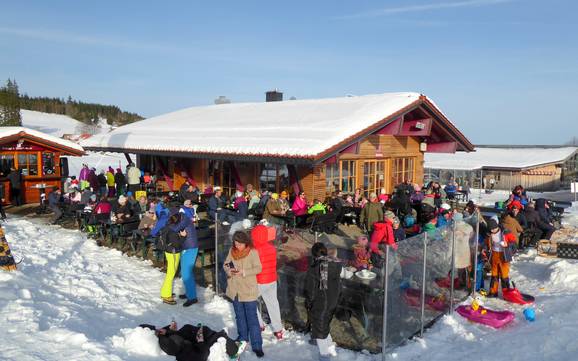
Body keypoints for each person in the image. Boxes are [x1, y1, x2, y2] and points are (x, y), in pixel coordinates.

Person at [223, 231, 264, 358]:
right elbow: (226, 263)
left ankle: (257, 345)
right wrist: (230, 270)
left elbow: (258, 268)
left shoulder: (252, 252)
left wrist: (244, 272)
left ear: (246, 243)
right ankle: (243, 338)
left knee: (252, 319)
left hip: (248, 290)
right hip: (235, 290)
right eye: (235, 243)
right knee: (239, 316)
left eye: (240, 244)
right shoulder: (232, 250)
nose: (237, 246)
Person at [305, 243, 341, 361]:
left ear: (314, 254)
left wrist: (309, 302)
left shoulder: (315, 268)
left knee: (319, 327)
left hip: (321, 302)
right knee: (324, 323)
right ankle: (329, 344)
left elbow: (311, 290)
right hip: (333, 300)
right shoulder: (335, 264)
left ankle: (324, 355)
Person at [140, 321, 242, 361]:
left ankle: (228, 343)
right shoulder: (165, 343)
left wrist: (169, 330)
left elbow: (177, 337)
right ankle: (233, 349)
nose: (159, 329)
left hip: (194, 341)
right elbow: (197, 355)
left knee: (192, 328)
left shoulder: (163, 337)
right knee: (211, 334)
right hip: (199, 348)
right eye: (157, 330)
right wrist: (200, 340)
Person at [251, 224, 284, 340]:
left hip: (259, 281)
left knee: (248, 301)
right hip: (271, 280)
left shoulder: (253, 249)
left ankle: (259, 324)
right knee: (273, 304)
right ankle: (278, 330)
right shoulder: (271, 248)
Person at [174, 207, 199, 307]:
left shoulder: (184, 220)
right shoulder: (184, 219)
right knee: (185, 272)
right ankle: (189, 293)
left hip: (190, 248)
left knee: (186, 273)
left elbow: (174, 228)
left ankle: (192, 298)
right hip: (187, 247)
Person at [486, 219, 516, 297]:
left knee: (504, 275)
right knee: (494, 274)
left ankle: (506, 294)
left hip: (504, 255)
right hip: (494, 255)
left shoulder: (505, 232)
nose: (492, 230)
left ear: (497, 227)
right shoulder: (489, 234)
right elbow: (487, 243)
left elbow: (514, 243)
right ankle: (493, 292)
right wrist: (485, 249)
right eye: (491, 229)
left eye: (494, 228)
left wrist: (507, 245)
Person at [160, 213, 186, 305]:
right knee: (171, 274)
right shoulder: (173, 230)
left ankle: (165, 291)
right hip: (173, 252)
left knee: (171, 273)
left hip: (171, 252)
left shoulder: (169, 226)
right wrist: (183, 237)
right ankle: (166, 295)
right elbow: (178, 244)